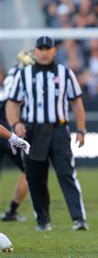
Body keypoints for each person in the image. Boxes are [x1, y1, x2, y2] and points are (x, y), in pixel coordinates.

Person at [6, 36, 88, 232]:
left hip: (58, 129)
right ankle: (43, 221)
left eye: (47, 48)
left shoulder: (65, 73)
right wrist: (16, 123)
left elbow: (77, 102)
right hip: (33, 130)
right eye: (40, 48)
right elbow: (12, 103)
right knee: (35, 177)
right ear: (35, 51)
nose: (44, 52)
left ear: (54, 51)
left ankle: (79, 219)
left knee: (66, 174)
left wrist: (81, 129)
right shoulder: (23, 74)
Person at [0, 50, 34, 222]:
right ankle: (15, 211)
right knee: (31, 171)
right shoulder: (26, 76)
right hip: (7, 127)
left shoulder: (11, 74)